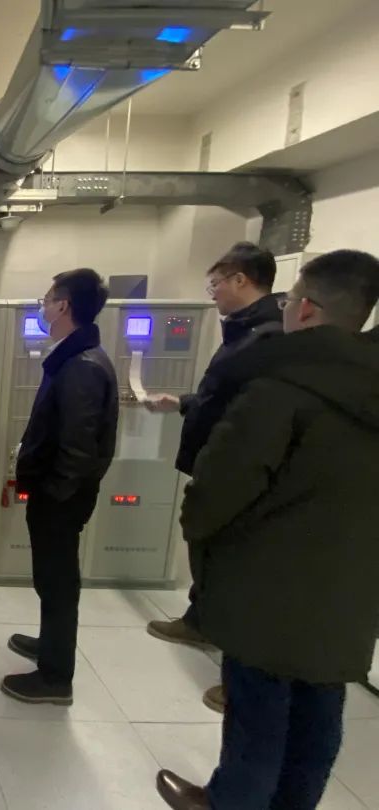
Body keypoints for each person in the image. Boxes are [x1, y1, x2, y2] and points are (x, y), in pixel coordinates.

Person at [156, 249, 379, 810]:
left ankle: (228, 802)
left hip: (268, 589)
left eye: (289, 299)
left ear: (305, 310)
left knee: (257, 715)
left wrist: (203, 540)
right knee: (319, 710)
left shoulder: (280, 387)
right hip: (351, 591)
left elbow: (219, 490)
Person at [144, 242, 282, 714]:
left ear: (241, 279)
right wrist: (182, 403)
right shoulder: (243, 332)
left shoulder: (266, 338)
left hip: (236, 471)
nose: (214, 292)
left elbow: (250, 416)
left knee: (236, 568)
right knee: (209, 554)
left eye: (216, 283)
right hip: (215, 462)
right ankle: (200, 620)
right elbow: (221, 398)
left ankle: (243, 680)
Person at [2, 268, 119, 705]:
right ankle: (50, 645)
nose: (43, 306)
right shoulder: (77, 357)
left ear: (64, 306)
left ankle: (55, 677)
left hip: (61, 499)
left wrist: (53, 495)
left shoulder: (82, 366)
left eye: (48, 299)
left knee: (58, 582)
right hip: (60, 495)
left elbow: (77, 447)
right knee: (51, 580)